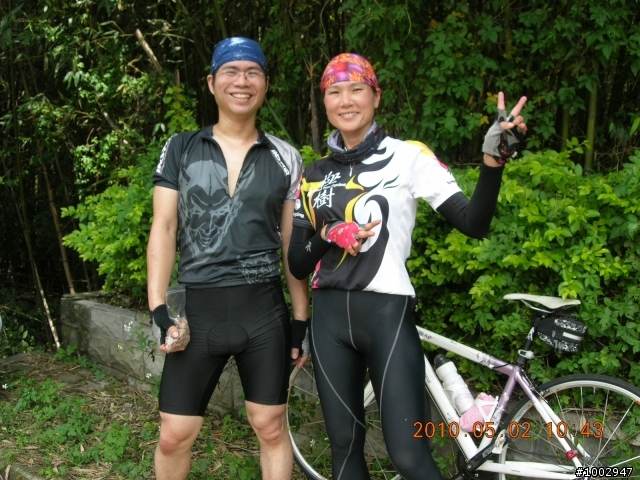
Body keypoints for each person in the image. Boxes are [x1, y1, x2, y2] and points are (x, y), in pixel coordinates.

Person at [287, 53, 527, 480]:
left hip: (386, 316)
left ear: (376, 97)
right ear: (324, 102)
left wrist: (492, 163)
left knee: (409, 457)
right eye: (334, 92)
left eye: (356, 89)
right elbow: (297, 262)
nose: (346, 100)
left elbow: (473, 223)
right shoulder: (314, 174)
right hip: (328, 321)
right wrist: (328, 233)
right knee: (344, 451)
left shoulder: (407, 156)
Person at [147, 37, 310, 480]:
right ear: (211, 83)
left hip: (264, 312)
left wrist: (300, 318)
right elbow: (164, 227)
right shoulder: (181, 147)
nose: (242, 81)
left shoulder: (285, 156)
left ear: (266, 83)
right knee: (174, 433)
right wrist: (158, 308)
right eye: (231, 72)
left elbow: (291, 242)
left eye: (252, 72)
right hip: (197, 313)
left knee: (271, 426)